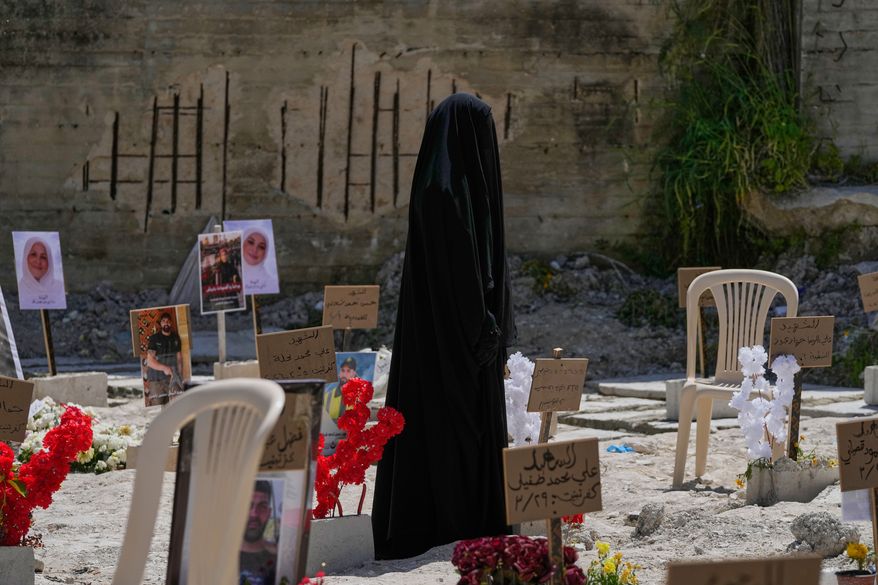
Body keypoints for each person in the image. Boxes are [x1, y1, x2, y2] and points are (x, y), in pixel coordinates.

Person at [372, 93, 515, 560]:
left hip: (436, 338)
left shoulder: (435, 186)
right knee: (458, 427)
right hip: (459, 337)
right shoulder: (446, 194)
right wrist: (482, 324)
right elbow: (462, 271)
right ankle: (462, 520)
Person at [240, 480, 278, 585]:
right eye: (248, 505)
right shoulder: (219, 555)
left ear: (269, 512)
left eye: (262, 506)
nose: (254, 514)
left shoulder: (280, 558)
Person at [144, 312, 184, 407]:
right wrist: (164, 368)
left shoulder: (175, 338)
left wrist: (179, 376)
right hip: (156, 380)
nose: (166, 323)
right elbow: (150, 361)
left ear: (171, 323)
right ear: (161, 324)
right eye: (163, 321)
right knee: (157, 408)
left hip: (172, 379)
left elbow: (179, 358)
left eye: (168, 321)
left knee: (174, 407)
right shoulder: (154, 339)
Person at [17, 236, 64, 309]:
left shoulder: (60, 288)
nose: (38, 261)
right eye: (33, 254)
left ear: (49, 262)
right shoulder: (17, 290)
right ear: (25, 257)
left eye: (43, 257)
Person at [241, 227, 278, 294]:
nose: (255, 250)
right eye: (251, 242)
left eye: (261, 247)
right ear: (242, 243)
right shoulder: (229, 275)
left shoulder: (270, 283)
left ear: (265, 253)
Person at [324, 356, 358, 421]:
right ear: (339, 373)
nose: (344, 374)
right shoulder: (327, 396)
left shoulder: (359, 397)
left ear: (354, 374)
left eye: (348, 371)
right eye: (342, 370)